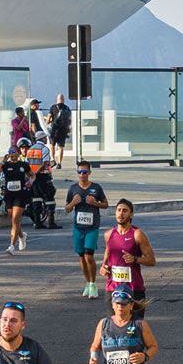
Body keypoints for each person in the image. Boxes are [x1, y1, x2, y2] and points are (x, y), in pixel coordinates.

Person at [99, 199, 156, 315]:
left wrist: (135, 259)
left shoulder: (137, 234)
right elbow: (108, 252)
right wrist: (103, 267)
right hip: (113, 289)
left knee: (134, 328)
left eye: (125, 211)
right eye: (118, 210)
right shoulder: (108, 234)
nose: (121, 213)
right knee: (115, 325)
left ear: (131, 214)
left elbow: (151, 260)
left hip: (133, 289)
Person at [64, 161, 108, 298]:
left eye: (84, 172)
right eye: (79, 172)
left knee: (89, 255)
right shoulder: (73, 189)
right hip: (78, 227)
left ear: (89, 173)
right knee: (82, 257)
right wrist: (73, 203)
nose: (82, 174)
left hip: (92, 227)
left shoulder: (96, 188)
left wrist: (95, 203)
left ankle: (93, 284)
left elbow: (106, 204)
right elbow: (67, 209)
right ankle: (88, 283)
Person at [0, 139, 33, 253]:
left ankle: (12, 246)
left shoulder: (24, 164)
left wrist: (30, 182)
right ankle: (21, 236)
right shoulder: (6, 165)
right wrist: (3, 162)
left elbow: (32, 176)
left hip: (21, 194)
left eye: (15, 154)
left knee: (15, 219)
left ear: (18, 154)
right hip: (9, 195)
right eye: (11, 154)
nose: (13, 156)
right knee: (14, 220)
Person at [25, 130, 60, 230]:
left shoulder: (30, 149)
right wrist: (36, 173)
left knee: (36, 199)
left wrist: (31, 176)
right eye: (45, 138)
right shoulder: (44, 149)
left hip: (33, 177)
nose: (46, 139)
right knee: (49, 199)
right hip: (43, 177)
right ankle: (51, 222)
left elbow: (27, 165)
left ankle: (37, 222)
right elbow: (45, 163)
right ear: (43, 138)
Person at [46, 93, 72, 169]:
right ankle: (59, 163)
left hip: (54, 130)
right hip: (63, 131)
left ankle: (53, 159)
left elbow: (48, 120)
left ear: (57, 100)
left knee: (52, 145)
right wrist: (68, 129)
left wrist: (49, 121)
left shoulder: (53, 107)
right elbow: (69, 120)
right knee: (60, 147)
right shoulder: (67, 108)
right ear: (63, 100)